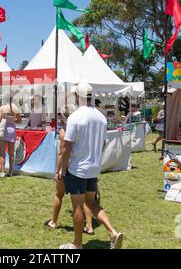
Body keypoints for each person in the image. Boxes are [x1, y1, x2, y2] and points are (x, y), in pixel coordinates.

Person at [59, 83, 123, 250]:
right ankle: (112, 232)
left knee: (78, 206)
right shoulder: (101, 117)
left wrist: (63, 169)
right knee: (92, 203)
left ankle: (77, 244)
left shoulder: (75, 117)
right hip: (94, 167)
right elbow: (103, 143)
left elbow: (67, 147)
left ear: (77, 96)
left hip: (78, 168)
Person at [45, 104, 95, 235]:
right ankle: (89, 225)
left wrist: (57, 171)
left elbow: (61, 153)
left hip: (68, 167)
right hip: (82, 166)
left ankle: (54, 221)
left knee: (59, 194)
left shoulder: (64, 131)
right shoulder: (82, 128)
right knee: (85, 199)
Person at [0, 95, 21, 178]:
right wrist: (12, 120)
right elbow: (19, 121)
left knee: (2, 153)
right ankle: (10, 172)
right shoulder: (15, 108)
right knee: (11, 153)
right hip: (12, 129)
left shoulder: (2, 108)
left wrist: (1, 116)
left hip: (3, 129)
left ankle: (2, 172)